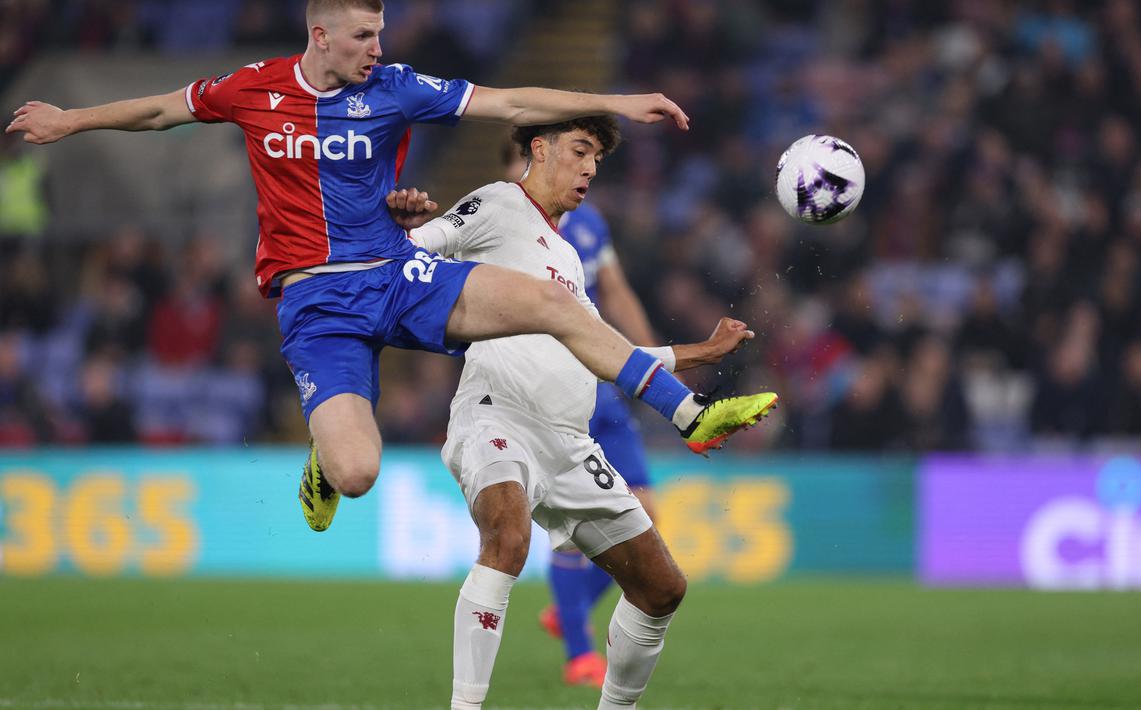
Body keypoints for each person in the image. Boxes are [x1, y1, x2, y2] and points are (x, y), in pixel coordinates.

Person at [5, 0, 778, 534]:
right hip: (317, 305)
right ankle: (324, 448)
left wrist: (613, 101)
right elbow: (159, 110)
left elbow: (508, 103)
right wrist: (70, 119)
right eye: (366, 35)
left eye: (380, 33)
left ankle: (690, 414)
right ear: (320, 36)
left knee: (553, 301)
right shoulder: (253, 88)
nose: (379, 47)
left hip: (397, 275)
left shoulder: (396, 88)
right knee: (357, 474)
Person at [387, 115, 764, 710]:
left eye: (597, 159)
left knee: (661, 588)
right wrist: (400, 227)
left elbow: (605, 350)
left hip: (570, 444)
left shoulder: (565, 254)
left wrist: (700, 351)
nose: (590, 168)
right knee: (507, 540)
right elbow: (408, 253)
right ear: (539, 149)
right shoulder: (499, 202)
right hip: (498, 414)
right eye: (580, 151)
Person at [500, 142, 655, 687]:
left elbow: (615, 291)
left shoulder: (589, 223)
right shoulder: (503, 222)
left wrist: (648, 359)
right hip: (551, 390)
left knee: (646, 512)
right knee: (571, 529)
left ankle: (567, 611)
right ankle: (578, 653)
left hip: (604, 385)